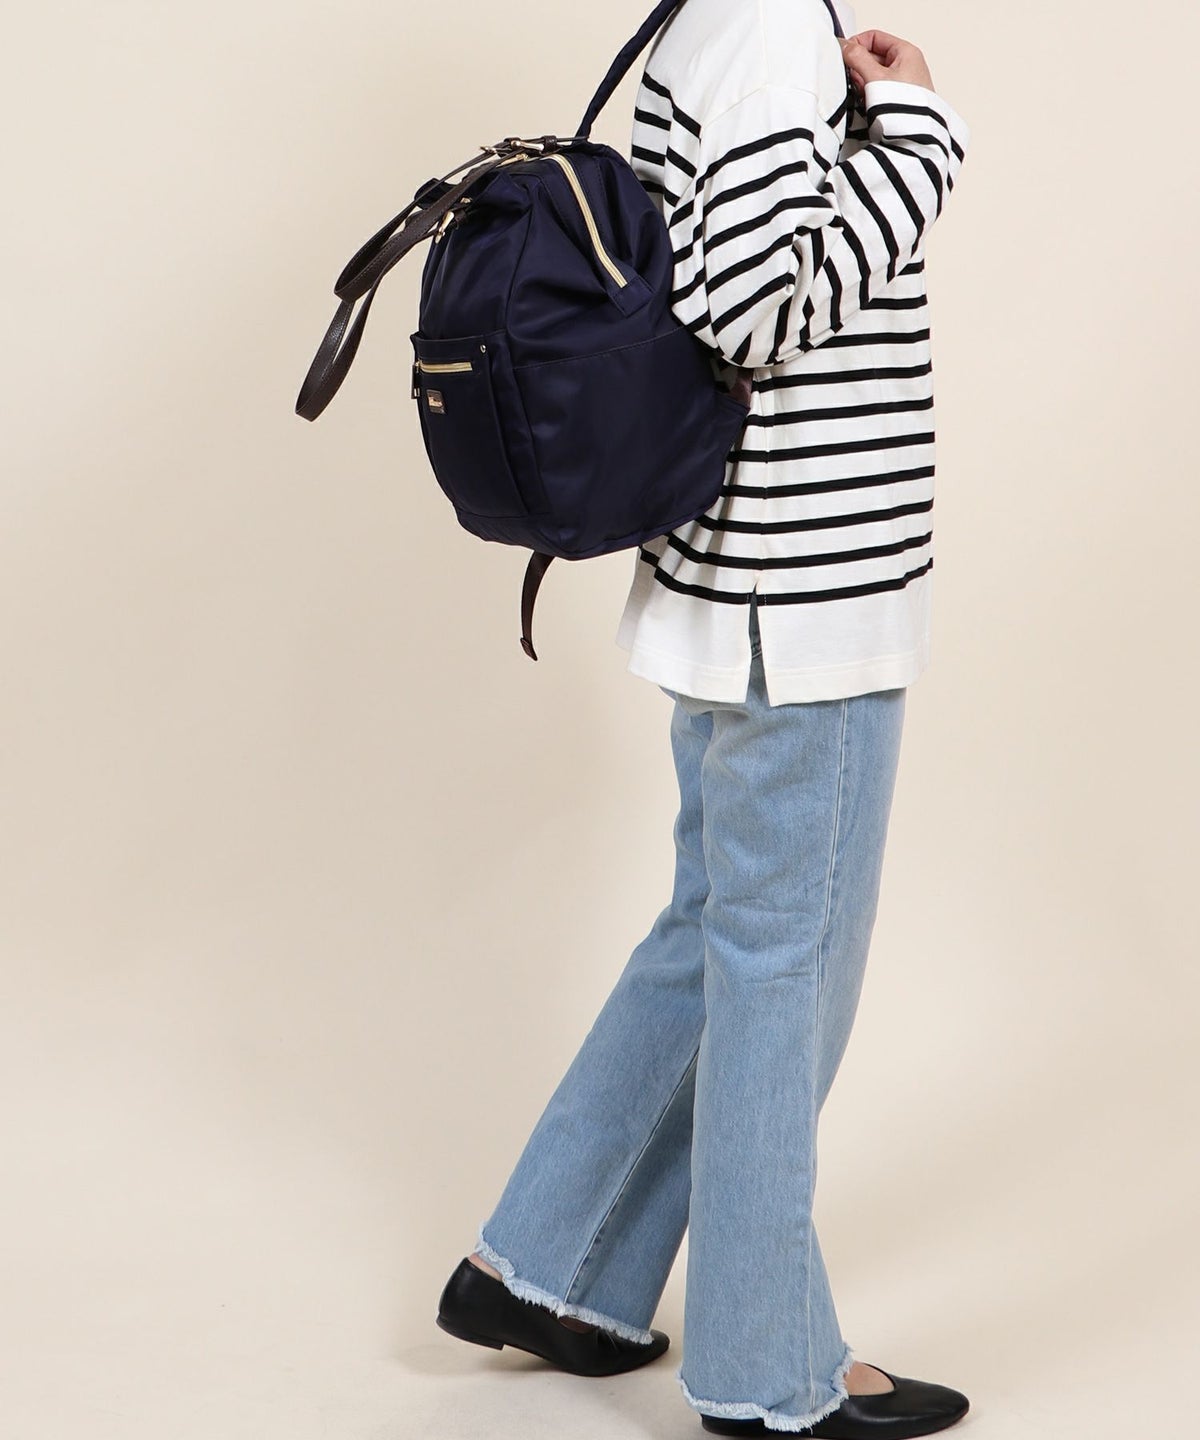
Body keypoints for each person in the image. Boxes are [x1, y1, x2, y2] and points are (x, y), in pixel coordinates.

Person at [435, 1, 972, 1434]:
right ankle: (765, 1369)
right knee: (782, 974)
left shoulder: (725, 17)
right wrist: (919, 139)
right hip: (803, 589)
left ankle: (550, 1268)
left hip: (745, 575)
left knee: (723, 934)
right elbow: (754, 310)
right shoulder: (769, 26)